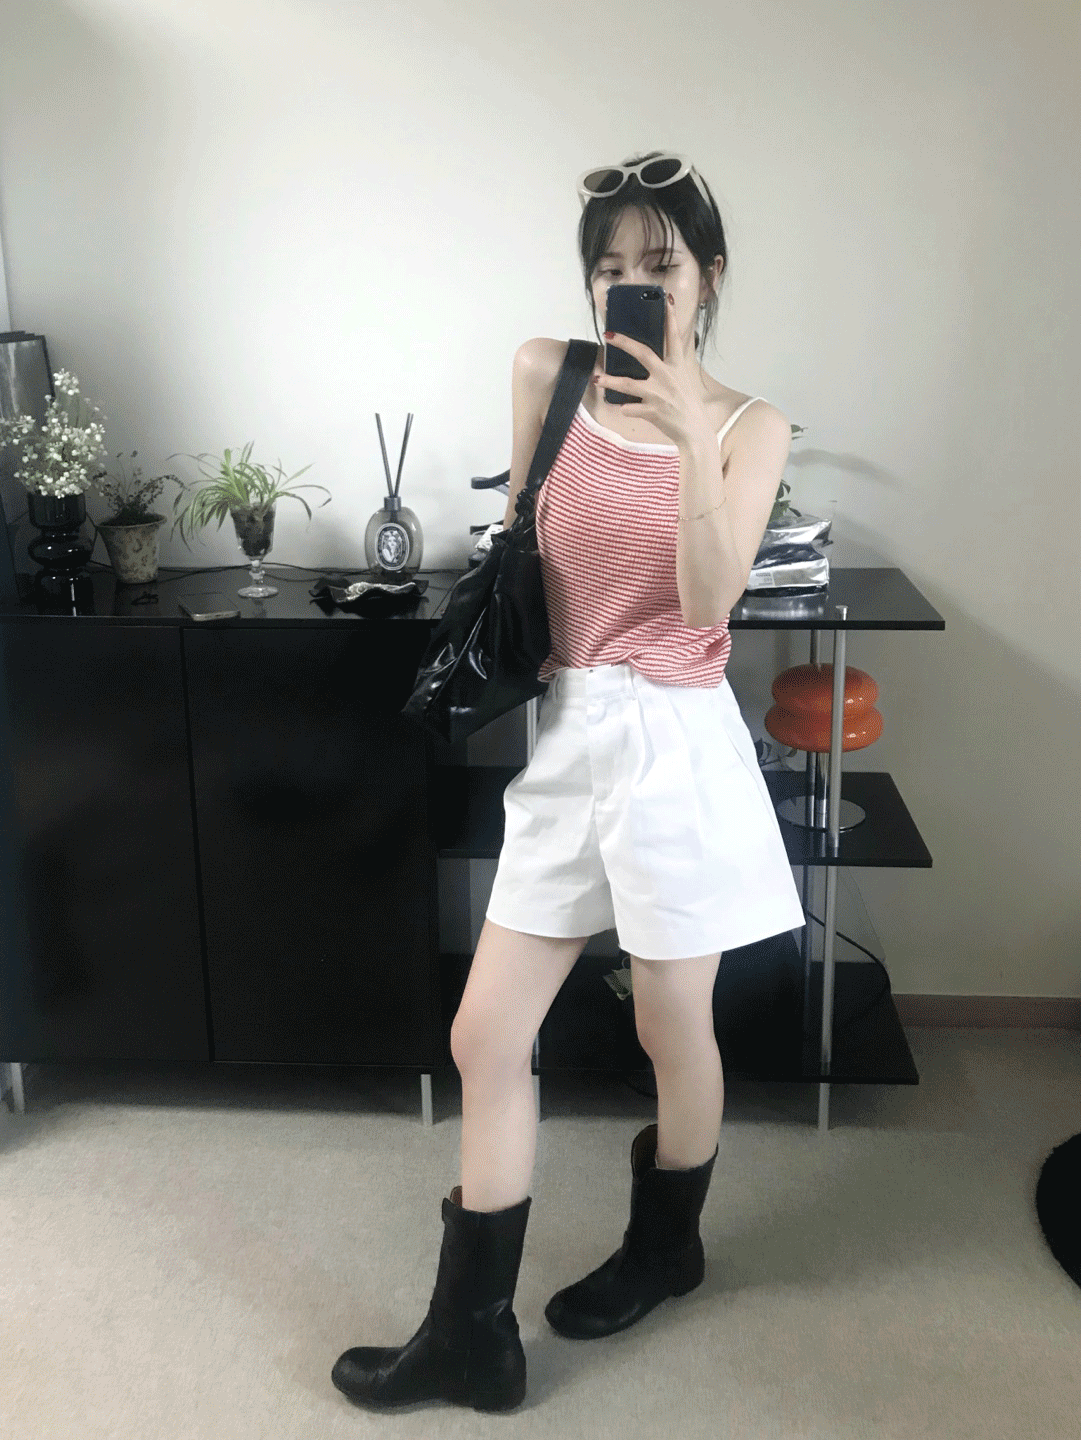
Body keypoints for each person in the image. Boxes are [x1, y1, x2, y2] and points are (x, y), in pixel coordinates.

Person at [331, 150, 806, 1413]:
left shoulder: (751, 429)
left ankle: (665, 1248)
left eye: (660, 265)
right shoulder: (548, 377)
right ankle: (470, 1334)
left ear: (709, 276)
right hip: (573, 727)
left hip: (676, 745)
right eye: (610, 268)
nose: (632, 286)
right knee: (484, 1031)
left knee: (668, 1025)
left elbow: (706, 603)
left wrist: (691, 437)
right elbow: (524, 548)